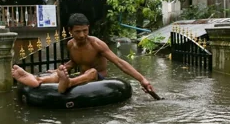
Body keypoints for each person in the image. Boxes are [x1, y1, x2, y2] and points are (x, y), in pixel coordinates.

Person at [12, 13, 154, 94]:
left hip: (98, 78)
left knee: (91, 71)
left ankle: (67, 83)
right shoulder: (70, 44)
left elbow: (119, 62)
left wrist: (142, 79)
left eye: (85, 31)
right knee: (58, 73)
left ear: (88, 29)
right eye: (78, 31)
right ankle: (37, 80)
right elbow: (74, 62)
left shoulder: (96, 44)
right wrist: (58, 71)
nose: (82, 35)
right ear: (70, 31)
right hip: (81, 77)